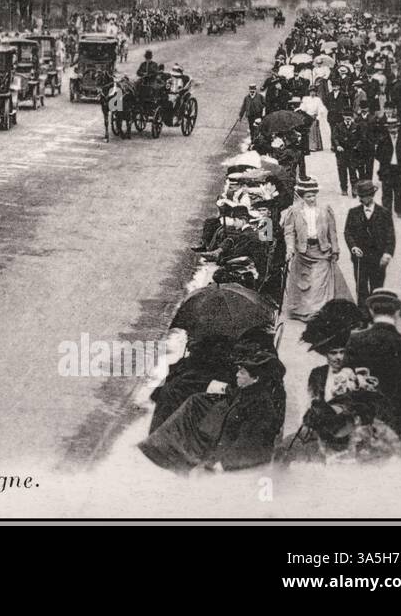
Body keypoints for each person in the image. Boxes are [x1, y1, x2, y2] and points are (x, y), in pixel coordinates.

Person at [138, 336, 286, 473]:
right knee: (194, 402)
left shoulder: (261, 407)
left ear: (255, 378)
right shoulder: (249, 392)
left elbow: (248, 444)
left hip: (231, 462)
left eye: (242, 373)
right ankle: (159, 448)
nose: (237, 374)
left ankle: (161, 451)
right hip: (221, 440)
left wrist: (221, 464)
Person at [343, 288, 401, 434]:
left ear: (371, 311)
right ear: (396, 312)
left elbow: (344, 378)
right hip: (397, 421)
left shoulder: (353, 340)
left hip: (363, 421)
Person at [282, 177, 350, 321]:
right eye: (308, 196)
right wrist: (289, 248)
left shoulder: (325, 210)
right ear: (302, 196)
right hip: (303, 252)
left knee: (319, 284)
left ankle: (318, 313)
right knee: (305, 284)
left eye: (314, 195)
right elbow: (289, 232)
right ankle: (304, 311)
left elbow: (332, 231)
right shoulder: (293, 211)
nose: (312, 199)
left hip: (322, 251)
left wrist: (335, 249)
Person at [343, 180, 395, 303]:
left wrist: (387, 253)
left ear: (372, 195)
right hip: (360, 258)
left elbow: (390, 235)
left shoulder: (384, 213)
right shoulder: (353, 213)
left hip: (379, 257)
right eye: (362, 196)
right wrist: (353, 247)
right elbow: (348, 232)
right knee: (361, 286)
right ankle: (362, 315)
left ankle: (375, 311)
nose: (365, 199)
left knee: (377, 287)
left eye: (368, 196)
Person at [374, 114, 401, 217]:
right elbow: (377, 155)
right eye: (390, 127)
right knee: (386, 193)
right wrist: (385, 162)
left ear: (398, 127)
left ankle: (399, 210)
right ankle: (386, 211)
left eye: (394, 127)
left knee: (399, 192)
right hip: (387, 169)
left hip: (399, 169)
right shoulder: (382, 140)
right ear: (387, 128)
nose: (392, 129)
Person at [330, 109, 364, 195]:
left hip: (352, 152)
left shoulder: (356, 126)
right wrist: (338, 145)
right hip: (342, 153)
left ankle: (354, 189)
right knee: (342, 172)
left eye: (350, 116)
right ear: (343, 117)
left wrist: (357, 146)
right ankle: (344, 189)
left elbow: (360, 138)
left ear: (352, 117)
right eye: (346, 116)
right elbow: (334, 137)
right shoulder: (338, 126)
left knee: (353, 171)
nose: (348, 118)